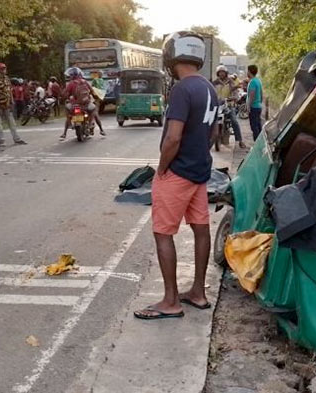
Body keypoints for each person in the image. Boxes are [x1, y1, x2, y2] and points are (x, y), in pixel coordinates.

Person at [133, 31, 218, 320]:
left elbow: (172, 138)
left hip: (178, 172)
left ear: (172, 56)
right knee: (200, 228)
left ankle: (171, 301)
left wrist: (162, 168)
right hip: (200, 172)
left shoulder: (182, 89)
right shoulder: (209, 88)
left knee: (163, 233)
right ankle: (198, 292)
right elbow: (213, 132)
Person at [60, 67, 105, 139]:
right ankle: (100, 129)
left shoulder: (71, 84)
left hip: (74, 105)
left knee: (68, 111)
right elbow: (92, 91)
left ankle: (65, 132)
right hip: (86, 104)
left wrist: (65, 98)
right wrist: (95, 97)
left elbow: (65, 94)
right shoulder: (85, 82)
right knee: (94, 110)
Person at [0, 63, 26, 146]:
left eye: (4, 68)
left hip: (7, 104)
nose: (3, 70)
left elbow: (9, 90)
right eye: (2, 69)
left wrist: (12, 101)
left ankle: (17, 138)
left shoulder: (7, 78)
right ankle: (1, 140)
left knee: (11, 122)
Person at [212, 65, 246, 149]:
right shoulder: (214, 83)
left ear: (226, 73)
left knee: (234, 120)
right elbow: (211, 92)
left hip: (229, 105)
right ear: (217, 73)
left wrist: (234, 97)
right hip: (218, 105)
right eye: (220, 72)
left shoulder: (230, 82)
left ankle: (240, 141)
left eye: (223, 72)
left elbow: (235, 92)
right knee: (209, 119)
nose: (221, 74)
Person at [247, 65, 264, 140]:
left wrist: (248, 106)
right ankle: (260, 142)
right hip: (258, 106)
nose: (247, 72)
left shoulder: (253, 82)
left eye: (247, 71)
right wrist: (260, 103)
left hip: (253, 107)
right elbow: (261, 94)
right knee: (258, 125)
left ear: (250, 71)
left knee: (254, 127)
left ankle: (256, 144)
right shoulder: (258, 80)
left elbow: (251, 96)